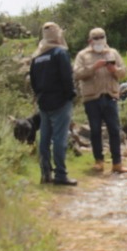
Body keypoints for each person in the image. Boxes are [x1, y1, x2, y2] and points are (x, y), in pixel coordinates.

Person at [28, 22, 78, 186]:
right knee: (59, 139)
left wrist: (40, 96)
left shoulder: (36, 57)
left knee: (44, 138)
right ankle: (61, 174)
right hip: (60, 101)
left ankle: (45, 173)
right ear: (58, 35)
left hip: (43, 102)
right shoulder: (59, 53)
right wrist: (71, 95)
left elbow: (33, 82)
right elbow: (66, 78)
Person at [74, 27, 127, 173]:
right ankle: (98, 161)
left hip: (110, 96)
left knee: (114, 130)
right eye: (96, 39)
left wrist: (114, 70)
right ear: (90, 41)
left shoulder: (113, 53)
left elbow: (124, 72)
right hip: (92, 98)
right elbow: (77, 73)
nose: (99, 41)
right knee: (95, 130)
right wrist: (93, 68)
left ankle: (117, 163)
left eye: (101, 38)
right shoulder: (82, 55)